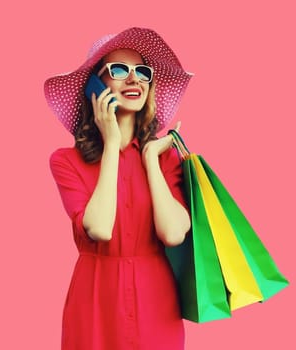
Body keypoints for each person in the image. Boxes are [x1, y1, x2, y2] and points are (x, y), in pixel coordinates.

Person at [44, 27, 194, 349]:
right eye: (119, 70)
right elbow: (99, 228)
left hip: (156, 301)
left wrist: (150, 157)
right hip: (95, 300)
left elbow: (173, 234)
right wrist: (111, 145)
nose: (134, 80)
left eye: (142, 72)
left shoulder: (166, 157)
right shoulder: (66, 161)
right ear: (95, 87)